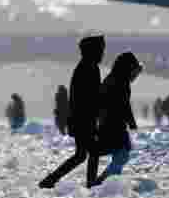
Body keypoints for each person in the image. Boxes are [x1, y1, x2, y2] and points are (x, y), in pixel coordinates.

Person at [39, 35, 105, 189]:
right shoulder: (90, 68)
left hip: (81, 119)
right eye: (101, 50)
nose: (102, 54)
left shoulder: (85, 66)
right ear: (93, 51)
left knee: (81, 155)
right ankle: (91, 184)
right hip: (84, 119)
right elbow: (89, 97)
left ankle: (50, 180)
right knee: (91, 153)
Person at [90, 52, 142, 186]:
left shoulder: (114, 78)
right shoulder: (119, 82)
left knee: (121, 154)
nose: (135, 76)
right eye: (134, 71)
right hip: (112, 125)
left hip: (110, 123)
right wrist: (131, 123)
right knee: (122, 154)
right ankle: (104, 182)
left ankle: (109, 182)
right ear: (128, 68)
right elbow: (123, 105)